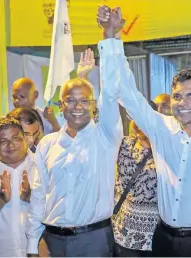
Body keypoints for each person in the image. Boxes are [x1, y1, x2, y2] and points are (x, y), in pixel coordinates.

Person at [97, 6, 191, 257]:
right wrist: (111, 37)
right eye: (177, 96)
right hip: (163, 240)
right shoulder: (161, 129)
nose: (183, 102)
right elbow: (126, 92)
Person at [26, 48, 123, 257]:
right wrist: (32, 244)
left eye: (84, 101)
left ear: (94, 105)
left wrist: (86, 77)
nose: (77, 106)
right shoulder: (47, 144)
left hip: (94, 240)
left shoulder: (105, 138)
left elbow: (112, 96)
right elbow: (38, 196)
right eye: (70, 100)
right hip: (53, 241)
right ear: (61, 105)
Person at [112, 103, 158, 257]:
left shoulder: (164, 149)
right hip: (124, 232)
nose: (138, 122)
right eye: (134, 117)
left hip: (156, 235)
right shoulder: (123, 144)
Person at [0, 117, 34, 257]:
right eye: (3, 141)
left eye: (16, 138)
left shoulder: (43, 167)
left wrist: (32, 198)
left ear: (25, 138)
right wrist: (1, 199)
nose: (11, 145)